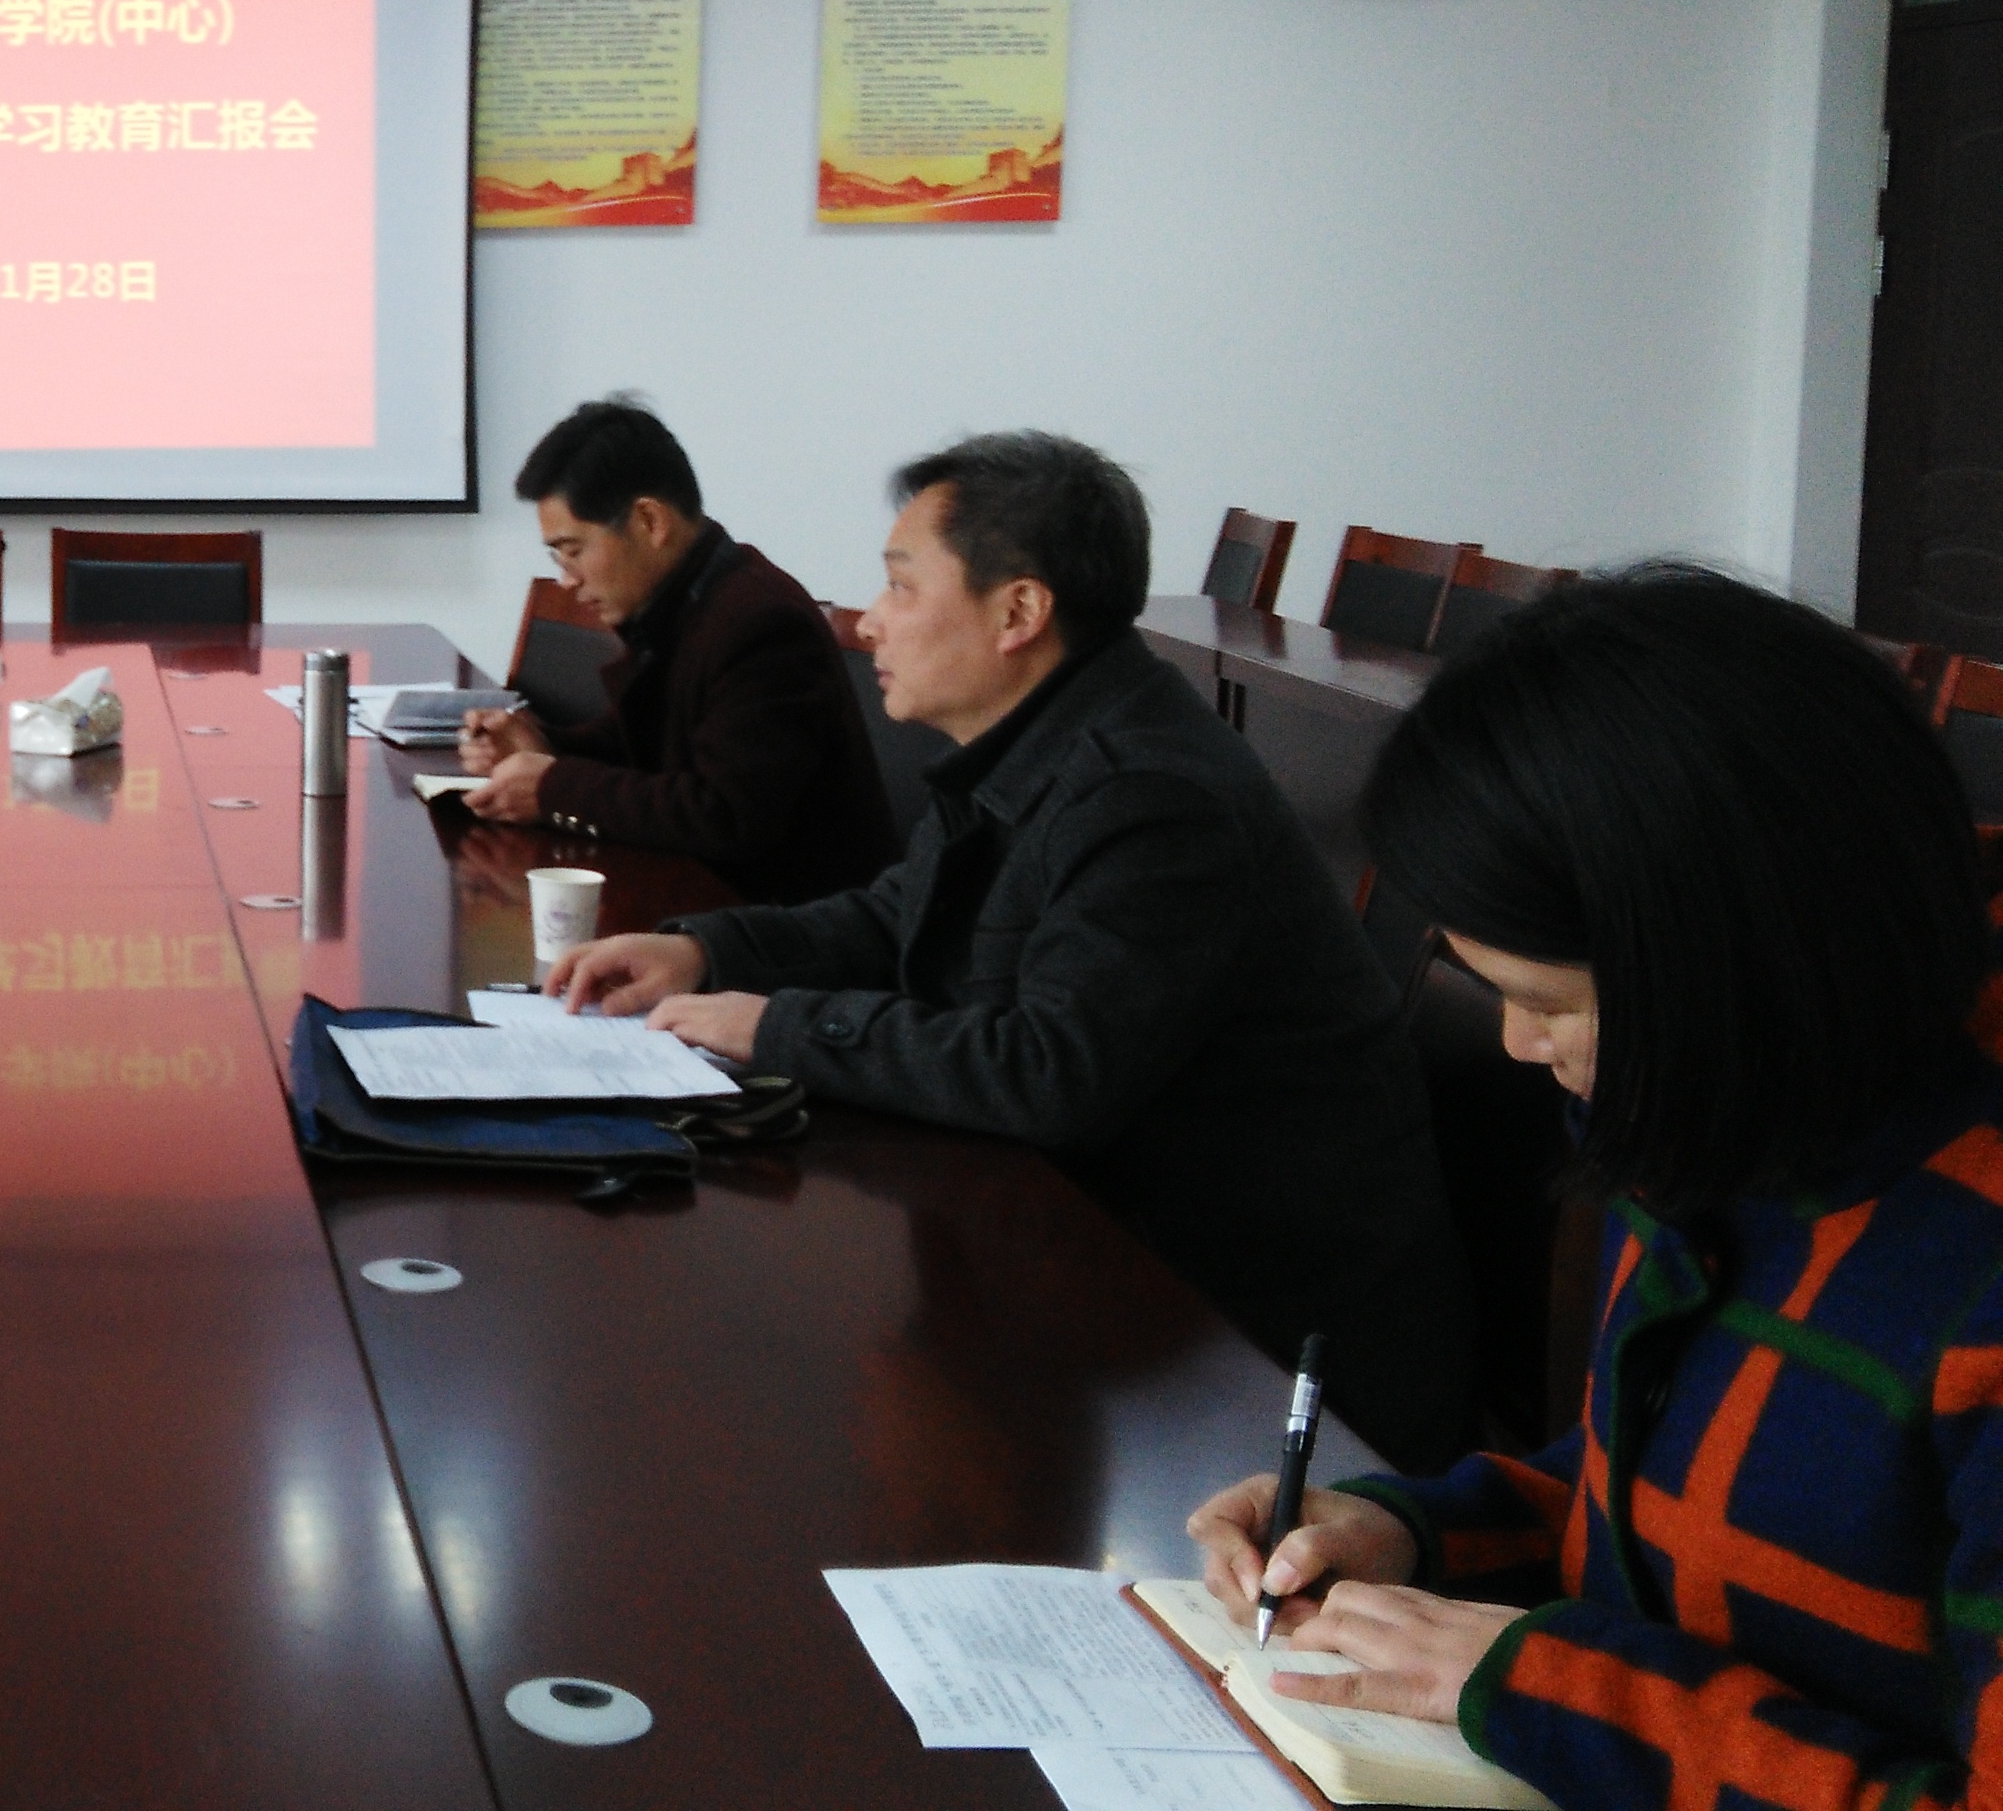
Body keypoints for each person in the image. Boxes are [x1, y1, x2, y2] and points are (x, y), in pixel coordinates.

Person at [1186, 567, 2003, 1810]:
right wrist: (1411, 1532)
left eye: (1548, 1002)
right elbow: (1669, 1490)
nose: (1516, 1044)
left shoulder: (1962, 1259)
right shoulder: (1720, 1109)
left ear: (1740, 962)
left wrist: (1552, 1685)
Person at [547, 431, 1476, 1464]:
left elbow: (1049, 1071)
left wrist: (775, 1028)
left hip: (1264, 1360)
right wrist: (703, 953)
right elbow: (891, 917)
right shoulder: (1037, 740)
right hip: (1129, 1279)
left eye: (902, 585)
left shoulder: (1150, 797)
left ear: (1018, 612)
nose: (868, 619)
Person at [456, 397, 900, 903]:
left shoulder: (760, 620)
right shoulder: (688, 598)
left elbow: (727, 814)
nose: (567, 579)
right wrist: (541, 743)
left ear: (650, 521)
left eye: (574, 551)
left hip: (783, 919)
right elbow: (644, 743)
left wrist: (554, 785)